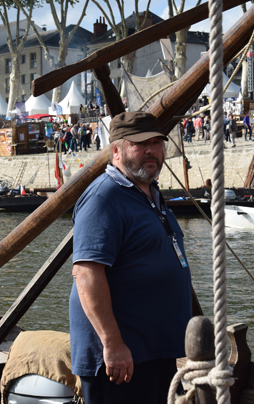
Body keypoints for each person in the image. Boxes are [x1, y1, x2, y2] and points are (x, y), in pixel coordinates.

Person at [70, 111, 192, 404]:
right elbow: (86, 275)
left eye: (156, 143)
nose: (151, 150)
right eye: (140, 144)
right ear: (116, 151)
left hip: (154, 353)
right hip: (121, 359)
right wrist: (112, 344)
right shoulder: (104, 197)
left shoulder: (150, 193)